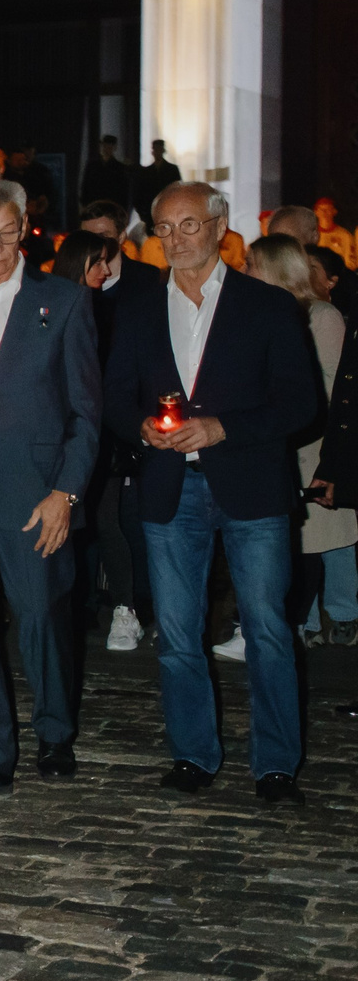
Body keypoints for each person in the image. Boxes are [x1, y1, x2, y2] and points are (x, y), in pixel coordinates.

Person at [105, 183, 321, 804]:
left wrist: (224, 426)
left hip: (250, 487)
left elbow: (301, 403)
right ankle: (193, 754)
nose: (174, 239)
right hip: (171, 490)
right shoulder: (141, 309)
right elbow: (116, 398)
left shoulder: (267, 306)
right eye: (163, 229)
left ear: (221, 228)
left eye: (188, 225)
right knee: (176, 636)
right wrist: (140, 427)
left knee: (269, 631)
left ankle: (276, 765)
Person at [245, 235, 358, 651]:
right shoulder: (258, 312)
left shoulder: (323, 316)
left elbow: (334, 387)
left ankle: (343, 612)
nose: (244, 271)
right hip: (281, 440)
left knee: (329, 534)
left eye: (251, 264)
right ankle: (304, 621)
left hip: (315, 442)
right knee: (300, 540)